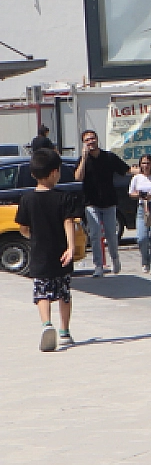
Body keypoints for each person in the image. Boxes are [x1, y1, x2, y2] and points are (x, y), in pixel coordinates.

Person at [19, 148, 77, 351]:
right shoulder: (64, 197)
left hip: (39, 253)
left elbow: (23, 228)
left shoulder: (27, 199)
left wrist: (34, 237)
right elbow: (69, 222)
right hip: (61, 253)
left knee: (41, 293)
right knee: (64, 293)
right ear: (54, 172)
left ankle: (46, 324)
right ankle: (65, 331)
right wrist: (71, 247)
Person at [75, 129, 130, 277]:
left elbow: (126, 169)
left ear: (97, 139)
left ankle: (115, 259)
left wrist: (144, 172)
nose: (90, 142)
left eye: (92, 138)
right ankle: (98, 266)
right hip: (91, 203)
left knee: (111, 235)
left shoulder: (109, 157)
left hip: (109, 202)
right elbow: (78, 177)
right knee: (95, 234)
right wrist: (84, 158)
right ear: (83, 143)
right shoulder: (83, 160)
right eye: (87, 140)